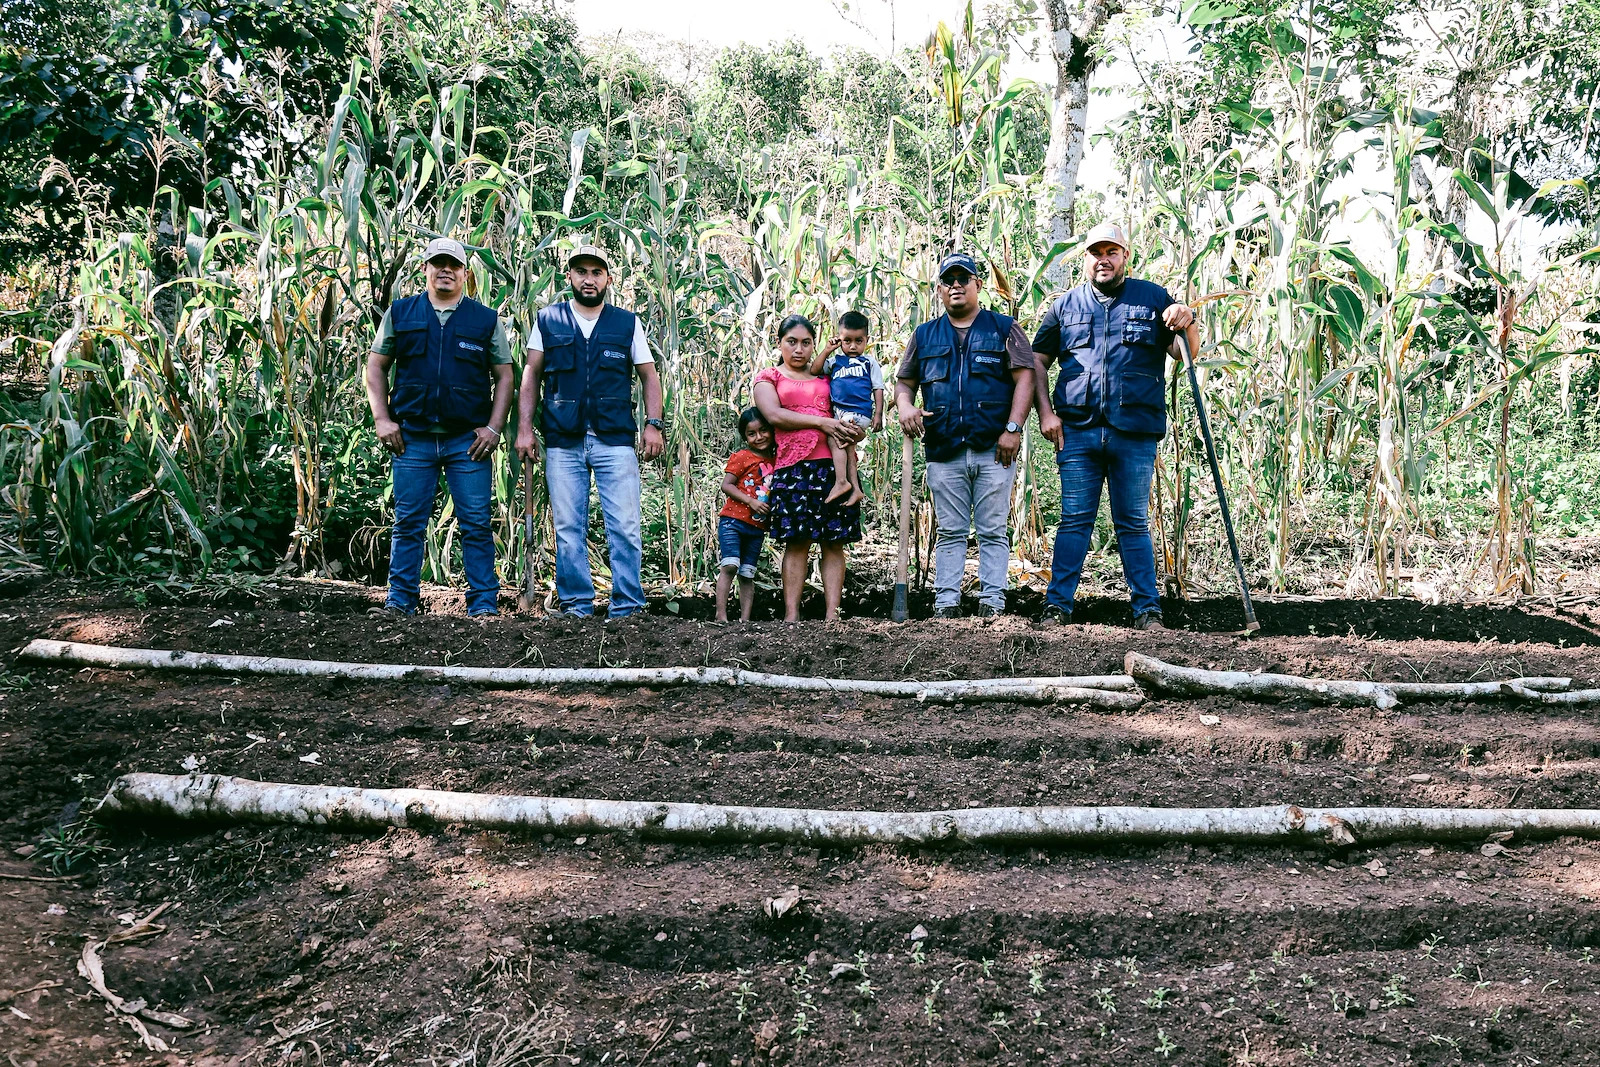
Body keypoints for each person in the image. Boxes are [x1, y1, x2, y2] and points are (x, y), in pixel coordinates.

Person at [1030, 221, 1199, 629]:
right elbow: (1037, 360)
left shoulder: (1152, 298)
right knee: (1074, 520)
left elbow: (1184, 353)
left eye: (1111, 252)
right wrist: (1046, 413)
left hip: (1134, 432)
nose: (1103, 260)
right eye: (1095, 253)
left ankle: (1147, 610)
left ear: (1125, 255)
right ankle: (1058, 607)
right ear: (1085, 259)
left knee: (1133, 522)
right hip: (1078, 430)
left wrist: (1187, 318)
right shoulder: (1065, 306)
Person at [365, 236, 514, 617]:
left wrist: (494, 428)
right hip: (411, 439)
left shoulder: (485, 319)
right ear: (425, 269)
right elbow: (376, 366)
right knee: (409, 522)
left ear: (465, 273)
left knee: (477, 524)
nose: (445, 270)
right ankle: (400, 602)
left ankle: (483, 605)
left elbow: (505, 376)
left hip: (467, 442)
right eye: (437, 263)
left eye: (453, 264)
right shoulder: (401, 313)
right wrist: (382, 419)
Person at [514, 244, 666, 619]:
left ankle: (628, 606)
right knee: (567, 529)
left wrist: (653, 425)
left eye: (596, 272)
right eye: (581, 271)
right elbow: (531, 375)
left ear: (608, 279)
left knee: (626, 528)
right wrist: (524, 429)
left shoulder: (626, 323)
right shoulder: (548, 320)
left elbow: (649, 376)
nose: (588, 279)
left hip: (614, 439)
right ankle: (577, 607)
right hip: (563, 440)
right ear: (569, 276)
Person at [896, 252, 1036, 618]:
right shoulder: (924, 335)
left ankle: (993, 604)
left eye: (963, 279)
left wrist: (1013, 428)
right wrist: (905, 407)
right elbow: (904, 384)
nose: (956, 285)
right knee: (951, 531)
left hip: (995, 448)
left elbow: (1026, 378)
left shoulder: (1004, 328)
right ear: (940, 290)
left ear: (978, 285)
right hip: (944, 449)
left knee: (992, 530)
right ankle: (946, 605)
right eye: (948, 280)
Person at [752, 314, 867, 622]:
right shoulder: (769, 377)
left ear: (814, 345)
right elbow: (774, 415)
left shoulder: (828, 375)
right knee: (797, 542)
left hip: (834, 468)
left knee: (834, 543)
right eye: (792, 342)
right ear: (779, 343)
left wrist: (856, 429)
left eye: (806, 343)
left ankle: (832, 616)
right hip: (793, 468)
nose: (799, 350)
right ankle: (791, 616)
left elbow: (851, 410)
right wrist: (822, 422)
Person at [811, 310, 884, 506]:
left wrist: (878, 414)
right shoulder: (835, 362)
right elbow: (814, 370)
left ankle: (841, 481)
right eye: (847, 341)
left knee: (834, 439)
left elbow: (878, 388)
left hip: (858, 413)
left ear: (866, 340)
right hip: (841, 413)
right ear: (839, 340)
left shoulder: (869, 362)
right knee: (849, 449)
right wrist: (827, 349)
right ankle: (855, 489)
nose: (852, 346)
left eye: (858, 341)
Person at [715, 408, 776, 623]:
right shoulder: (742, 457)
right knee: (730, 565)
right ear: (745, 437)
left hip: (757, 527)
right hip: (733, 521)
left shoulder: (777, 459)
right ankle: (721, 616)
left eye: (763, 431)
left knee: (747, 573)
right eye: (752, 433)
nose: (759, 437)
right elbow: (727, 485)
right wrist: (751, 501)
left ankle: (745, 621)